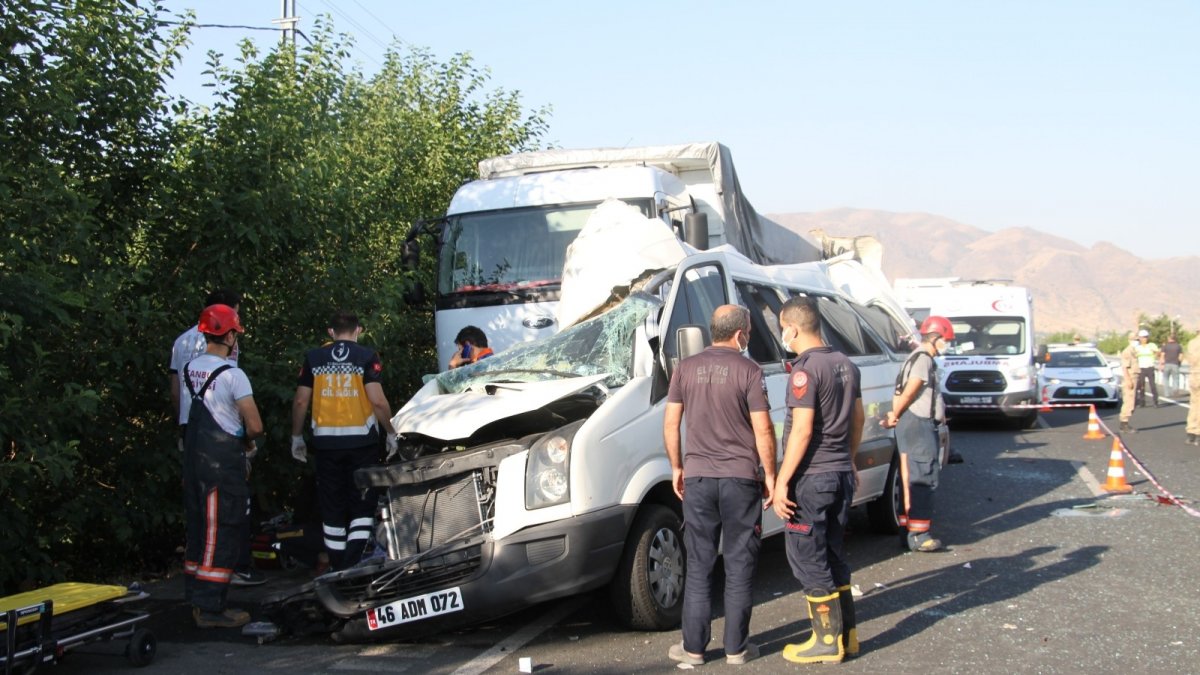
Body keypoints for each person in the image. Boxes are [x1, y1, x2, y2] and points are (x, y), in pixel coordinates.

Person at [663, 305, 776, 666]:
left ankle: (693, 650)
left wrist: (677, 466)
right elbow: (763, 429)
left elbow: (670, 424)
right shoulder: (750, 371)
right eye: (749, 332)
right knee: (740, 563)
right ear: (740, 333)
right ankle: (735, 649)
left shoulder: (685, 369)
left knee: (699, 564)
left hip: (697, 477)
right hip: (741, 479)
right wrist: (771, 475)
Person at [772, 296, 863, 664]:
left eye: (782, 328)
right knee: (833, 553)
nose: (782, 334)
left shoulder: (804, 371)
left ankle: (826, 642)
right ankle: (847, 637)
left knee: (808, 557)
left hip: (813, 479)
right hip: (840, 473)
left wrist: (781, 481)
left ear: (792, 328)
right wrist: (850, 460)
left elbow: (802, 431)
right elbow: (857, 418)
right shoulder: (845, 363)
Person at [168, 288, 264, 587]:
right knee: (224, 520)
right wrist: (247, 444)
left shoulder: (186, 359)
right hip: (223, 449)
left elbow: (176, 392)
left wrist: (185, 428)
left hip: (194, 438)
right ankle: (214, 597)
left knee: (197, 518)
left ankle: (195, 587)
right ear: (230, 336)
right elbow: (254, 425)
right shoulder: (232, 373)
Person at [291, 311, 399, 571]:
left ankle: (337, 567)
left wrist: (296, 437)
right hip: (362, 444)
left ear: (331, 332)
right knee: (362, 505)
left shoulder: (314, 358)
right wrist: (392, 432)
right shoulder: (366, 357)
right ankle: (352, 565)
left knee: (332, 506)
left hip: (325, 445)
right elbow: (377, 400)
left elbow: (301, 400)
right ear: (358, 330)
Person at [883, 316, 952, 553]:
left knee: (909, 479)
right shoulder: (922, 360)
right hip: (918, 426)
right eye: (946, 340)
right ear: (936, 338)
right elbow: (911, 389)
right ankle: (919, 536)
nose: (947, 345)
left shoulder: (914, 358)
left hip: (912, 424)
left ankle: (908, 532)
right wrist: (895, 413)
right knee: (922, 478)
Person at [1119, 333, 1140, 434]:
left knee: (1133, 401)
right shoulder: (1127, 351)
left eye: (1137, 339)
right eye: (1135, 339)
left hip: (1134, 377)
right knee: (1129, 401)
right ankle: (1124, 424)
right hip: (1130, 378)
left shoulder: (1134, 351)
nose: (1137, 341)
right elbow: (1125, 367)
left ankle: (1125, 423)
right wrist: (1128, 380)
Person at [1134, 329, 1160, 407]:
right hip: (1141, 368)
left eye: (1145, 337)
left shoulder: (1152, 345)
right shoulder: (1137, 347)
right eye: (1142, 337)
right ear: (1140, 338)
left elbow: (1158, 354)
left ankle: (1155, 401)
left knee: (1152, 385)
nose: (1144, 339)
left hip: (1150, 367)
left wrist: (1156, 354)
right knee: (1141, 386)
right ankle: (1142, 402)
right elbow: (1134, 357)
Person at [1186, 335, 1200, 445]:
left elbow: (1189, 359)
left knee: (1194, 404)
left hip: (1193, 376)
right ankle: (1198, 433)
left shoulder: (1192, 343)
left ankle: (1191, 432)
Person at [1160, 334, 1182, 399]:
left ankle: (1167, 393)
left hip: (1167, 364)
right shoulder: (1178, 346)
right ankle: (1175, 391)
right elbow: (1181, 356)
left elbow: (1162, 355)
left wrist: (1161, 364)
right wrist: (1179, 363)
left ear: (1169, 338)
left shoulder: (1165, 346)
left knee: (1166, 378)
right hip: (1175, 364)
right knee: (1175, 378)